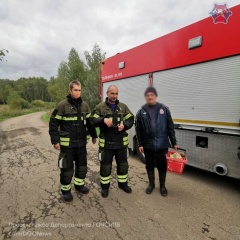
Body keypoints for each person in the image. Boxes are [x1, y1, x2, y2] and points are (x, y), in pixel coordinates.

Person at [49, 80, 97, 202]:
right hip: (67, 144)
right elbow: (53, 123)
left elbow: (90, 122)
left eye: (79, 90)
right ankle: (66, 191)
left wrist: (94, 135)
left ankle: (79, 185)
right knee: (67, 168)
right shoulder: (62, 105)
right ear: (70, 90)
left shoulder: (85, 105)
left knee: (82, 166)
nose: (78, 92)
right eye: (75, 90)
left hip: (81, 144)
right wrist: (55, 140)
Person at [90, 85, 134, 198]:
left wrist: (124, 125)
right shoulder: (100, 107)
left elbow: (131, 118)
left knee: (123, 165)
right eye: (112, 93)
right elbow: (92, 120)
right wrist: (103, 120)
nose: (114, 96)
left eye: (116, 94)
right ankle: (105, 187)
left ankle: (123, 184)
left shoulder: (123, 107)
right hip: (106, 144)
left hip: (121, 144)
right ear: (107, 93)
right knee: (105, 166)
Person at [135, 87, 178, 197]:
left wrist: (174, 142)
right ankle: (151, 184)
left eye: (152, 95)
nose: (150, 97)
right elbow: (138, 129)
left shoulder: (164, 109)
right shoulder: (141, 112)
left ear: (155, 96)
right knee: (149, 165)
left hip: (162, 144)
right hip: (148, 145)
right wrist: (140, 144)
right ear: (146, 97)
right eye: (148, 95)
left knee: (162, 166)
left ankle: (162, 186)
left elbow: (170, 127)